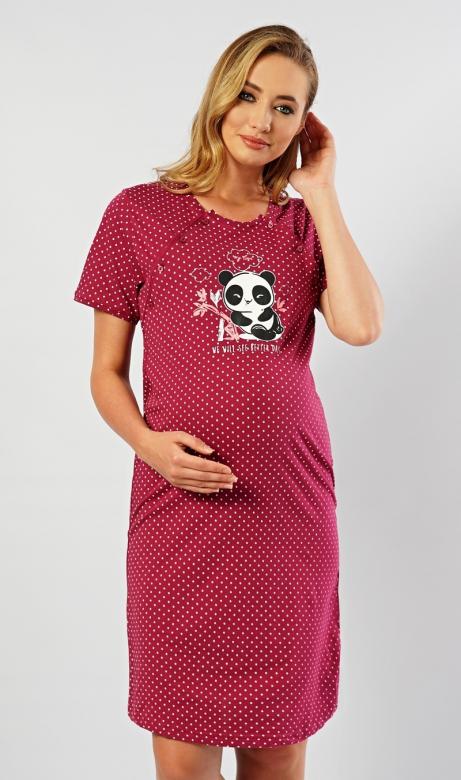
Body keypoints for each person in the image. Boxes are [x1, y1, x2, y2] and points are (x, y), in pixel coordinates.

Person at [73, 23, 383, 780]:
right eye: (248, 95)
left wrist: (320, 192)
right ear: (219, 95)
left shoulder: (302, 226)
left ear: (304, 125)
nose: (261, 120)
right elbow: (106, 374)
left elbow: (360, 326)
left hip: (288, 517)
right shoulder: (138, 215)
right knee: (183, 759)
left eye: (285, 107)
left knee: (277, 753)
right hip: (181, 515)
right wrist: (148, 445)